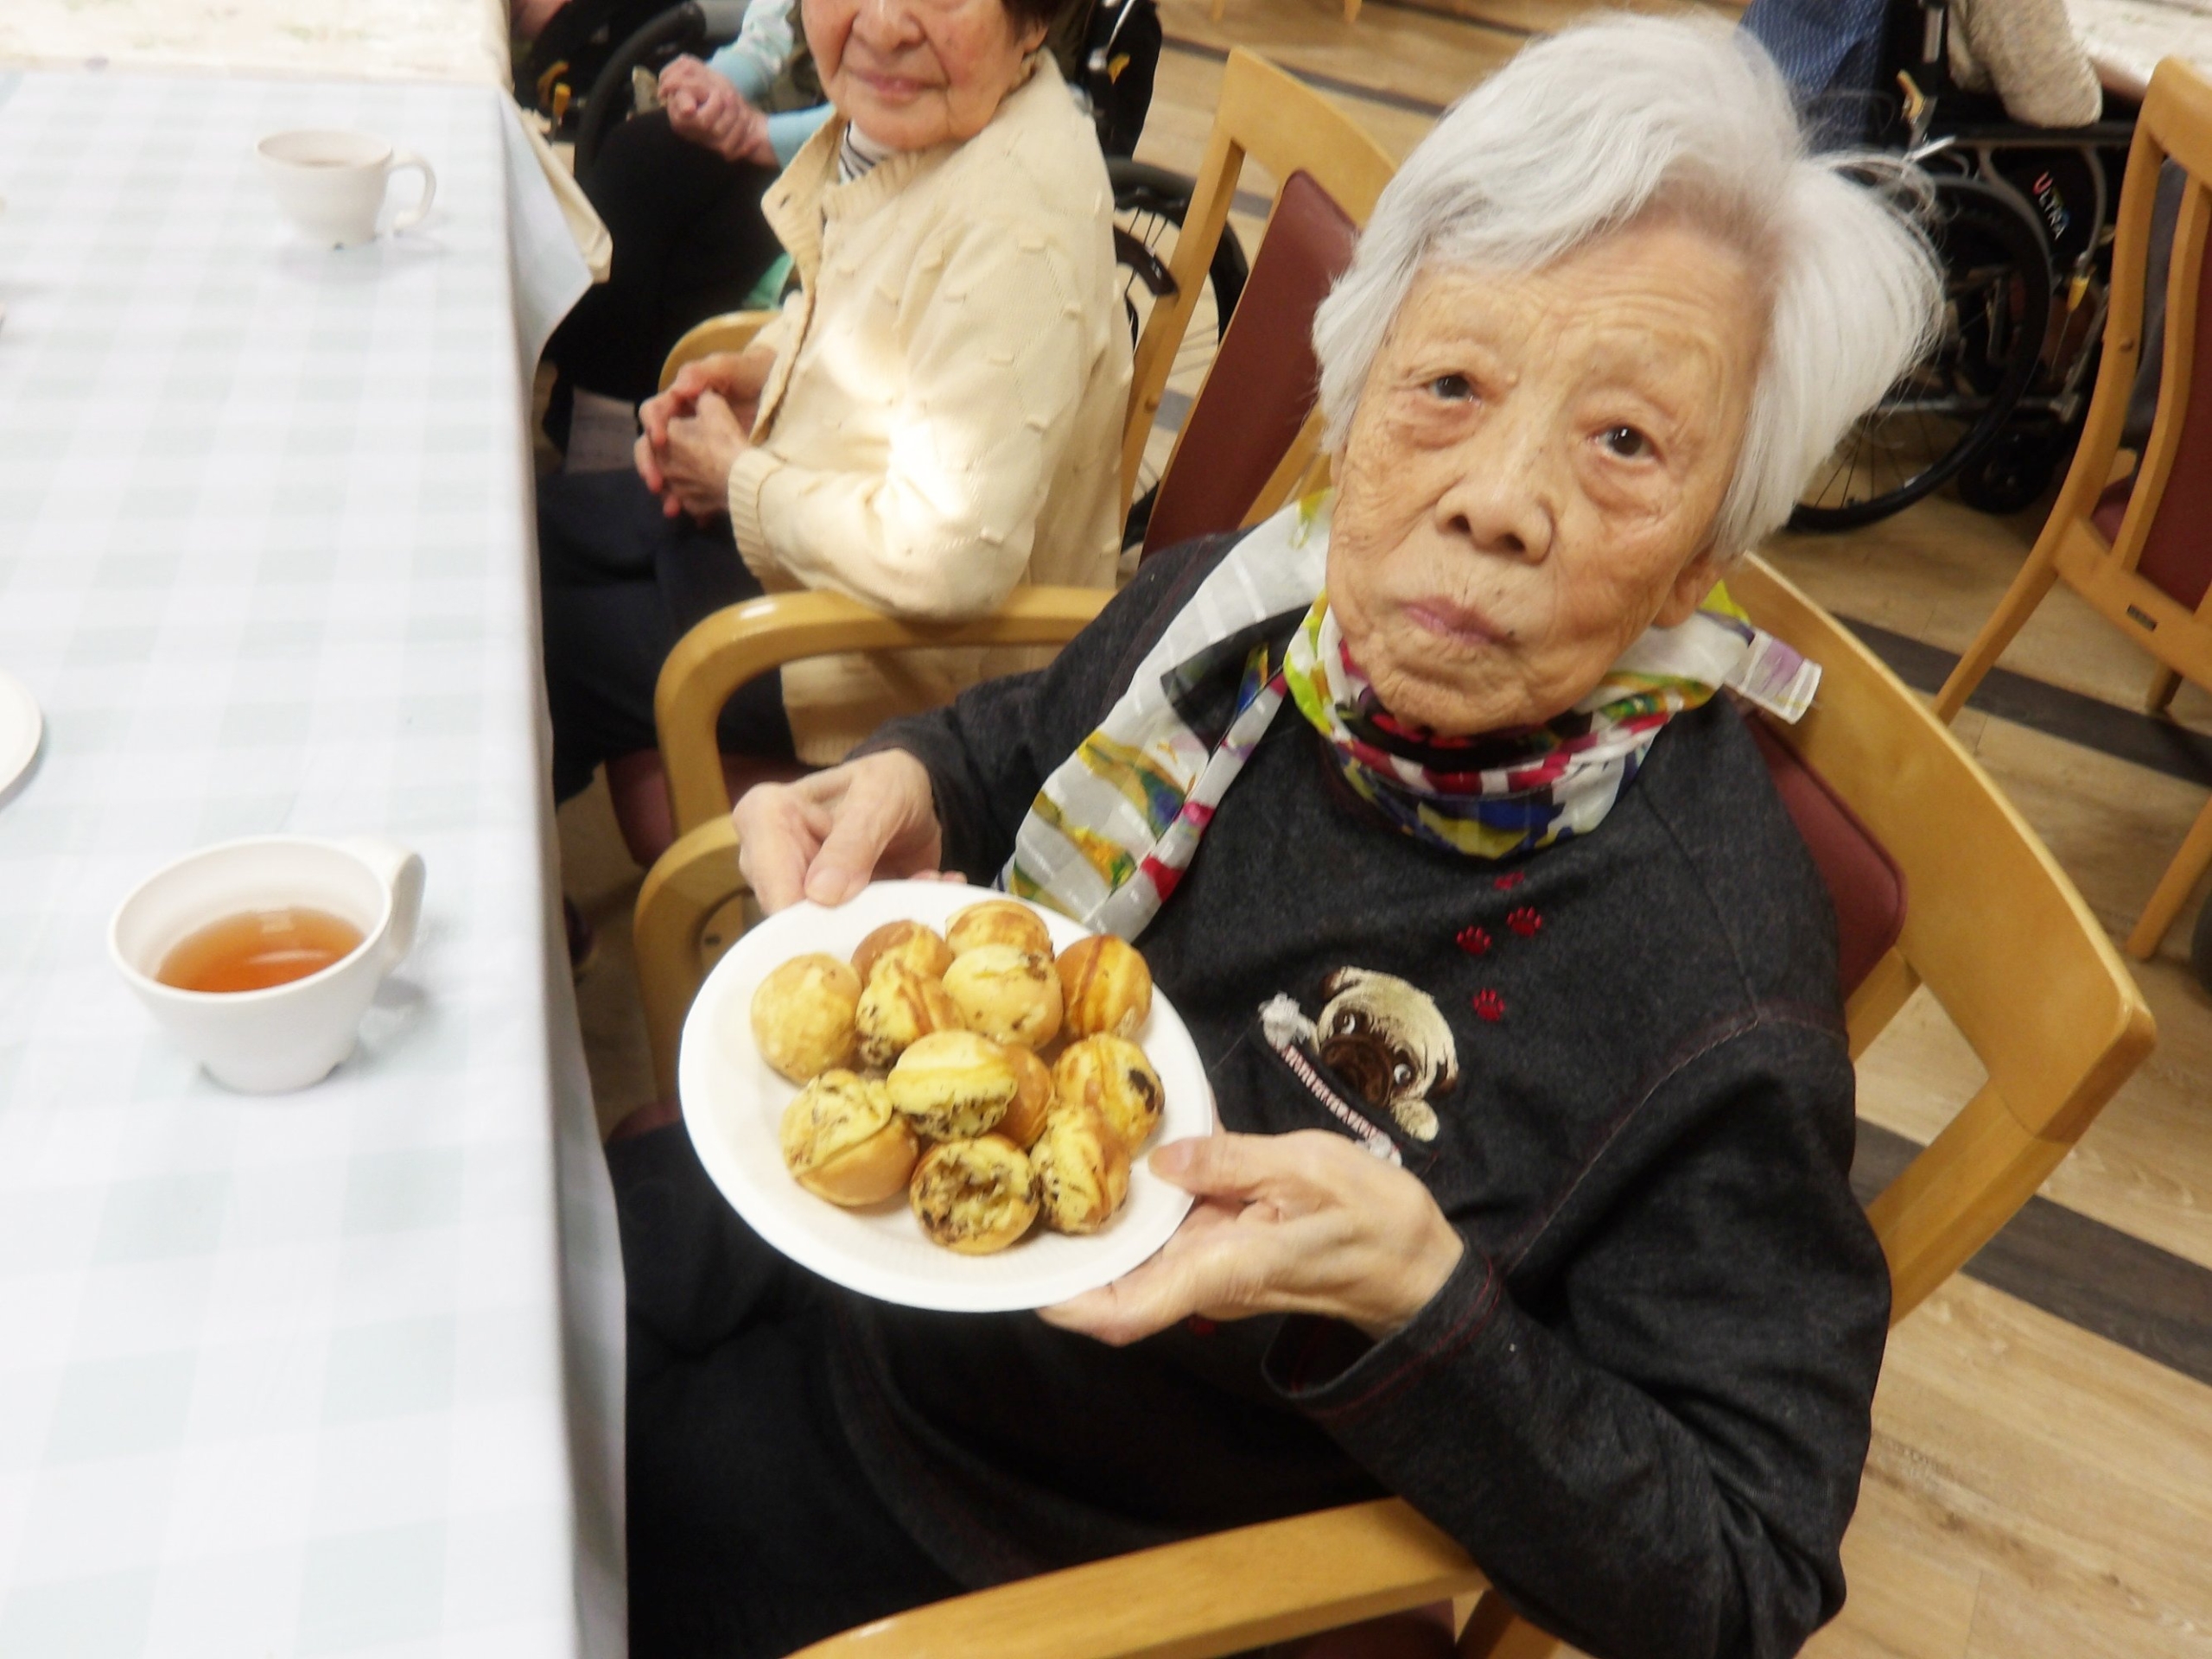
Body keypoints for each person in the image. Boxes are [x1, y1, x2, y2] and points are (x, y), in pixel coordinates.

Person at [610, 14, 1944, 1659]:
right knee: (462, 1292)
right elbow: (1037, 726)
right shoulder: (1265, 604)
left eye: (1625, 445)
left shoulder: (1710, 974)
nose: (1501, 499)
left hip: (1028, 1529)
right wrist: (909, 775)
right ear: (1358, 396)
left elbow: (1743, 1570)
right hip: (851, 1237)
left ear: (1701, 561)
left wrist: (1420, 1305)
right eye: (1450, 386)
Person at [537, 0, 1129, 810]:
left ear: (1035, 21)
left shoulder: (1018, 226)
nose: (884, 25)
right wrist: (764, 370)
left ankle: (516, 906)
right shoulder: (930, 130)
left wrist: (737, 479)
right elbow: (875, 299)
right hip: (819, 552)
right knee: (515, 533)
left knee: (523, 640)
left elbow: (950, 559)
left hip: (902, 668)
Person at [543, 0, 831, 432]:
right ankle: (607, 427)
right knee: (639, 153)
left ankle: (632, 438)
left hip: (870, 150)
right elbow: (770, 37)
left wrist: (765, 137)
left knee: (710, 236)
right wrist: (712, 89)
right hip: (786, 117)